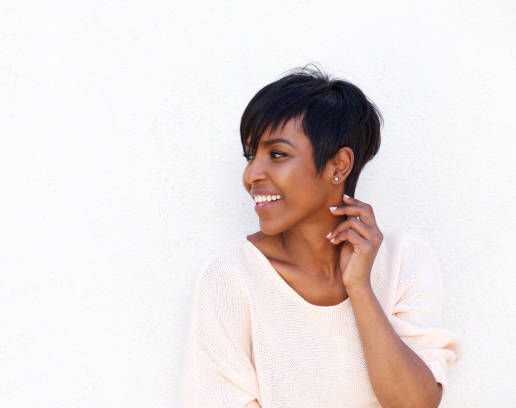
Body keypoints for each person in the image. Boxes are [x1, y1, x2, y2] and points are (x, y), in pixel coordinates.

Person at [180, 65, 462, 407]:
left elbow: (416, 403)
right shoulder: (230, 274)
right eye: (251, 156)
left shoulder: (405, 260)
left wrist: (360, 288)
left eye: (277, 154)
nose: (252, 174)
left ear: (338, 166)